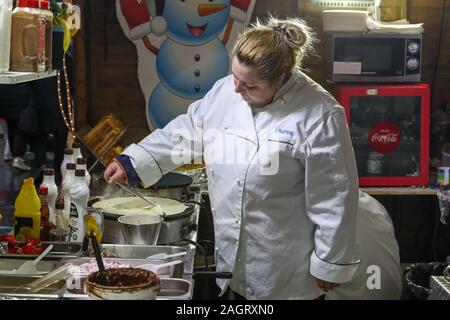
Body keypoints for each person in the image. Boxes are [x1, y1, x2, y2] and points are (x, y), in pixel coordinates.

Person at [105, 16, 362, 299]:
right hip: (233, 255)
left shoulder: (320, 114)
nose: (237, 89)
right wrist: (134, 161)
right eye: (235, 77)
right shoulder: (228, 91)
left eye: (249, 86)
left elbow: (335, 197)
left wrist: (330, 262)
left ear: (280, 78)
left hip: (285, 268)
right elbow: (189, 131)